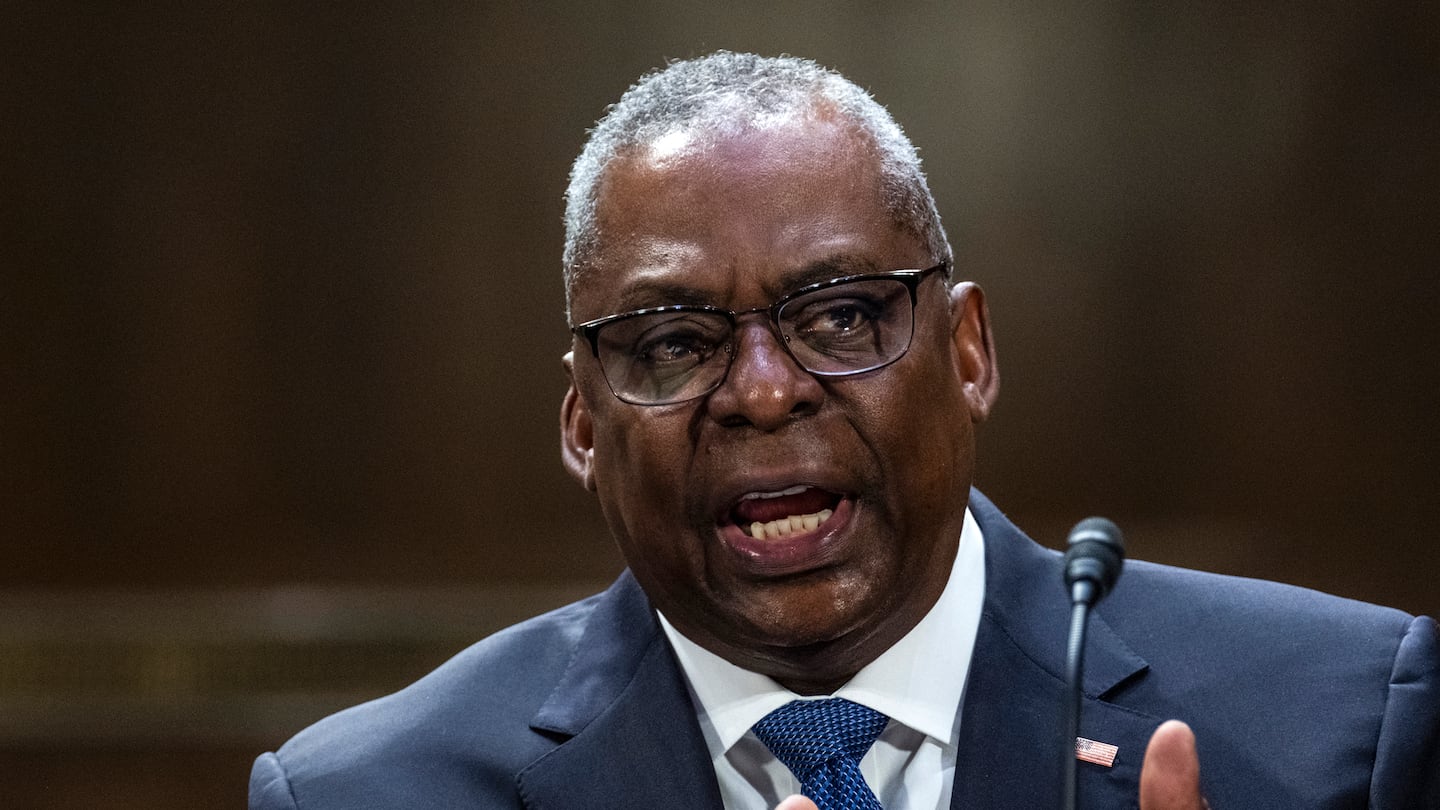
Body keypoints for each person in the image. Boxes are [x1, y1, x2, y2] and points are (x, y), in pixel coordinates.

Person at [249, 51, 1439, 809]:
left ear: (967, 352)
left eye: (841, 314)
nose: (764, 392)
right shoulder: (373, 793)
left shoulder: (1342, 729)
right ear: (580, 424)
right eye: (672, 343)